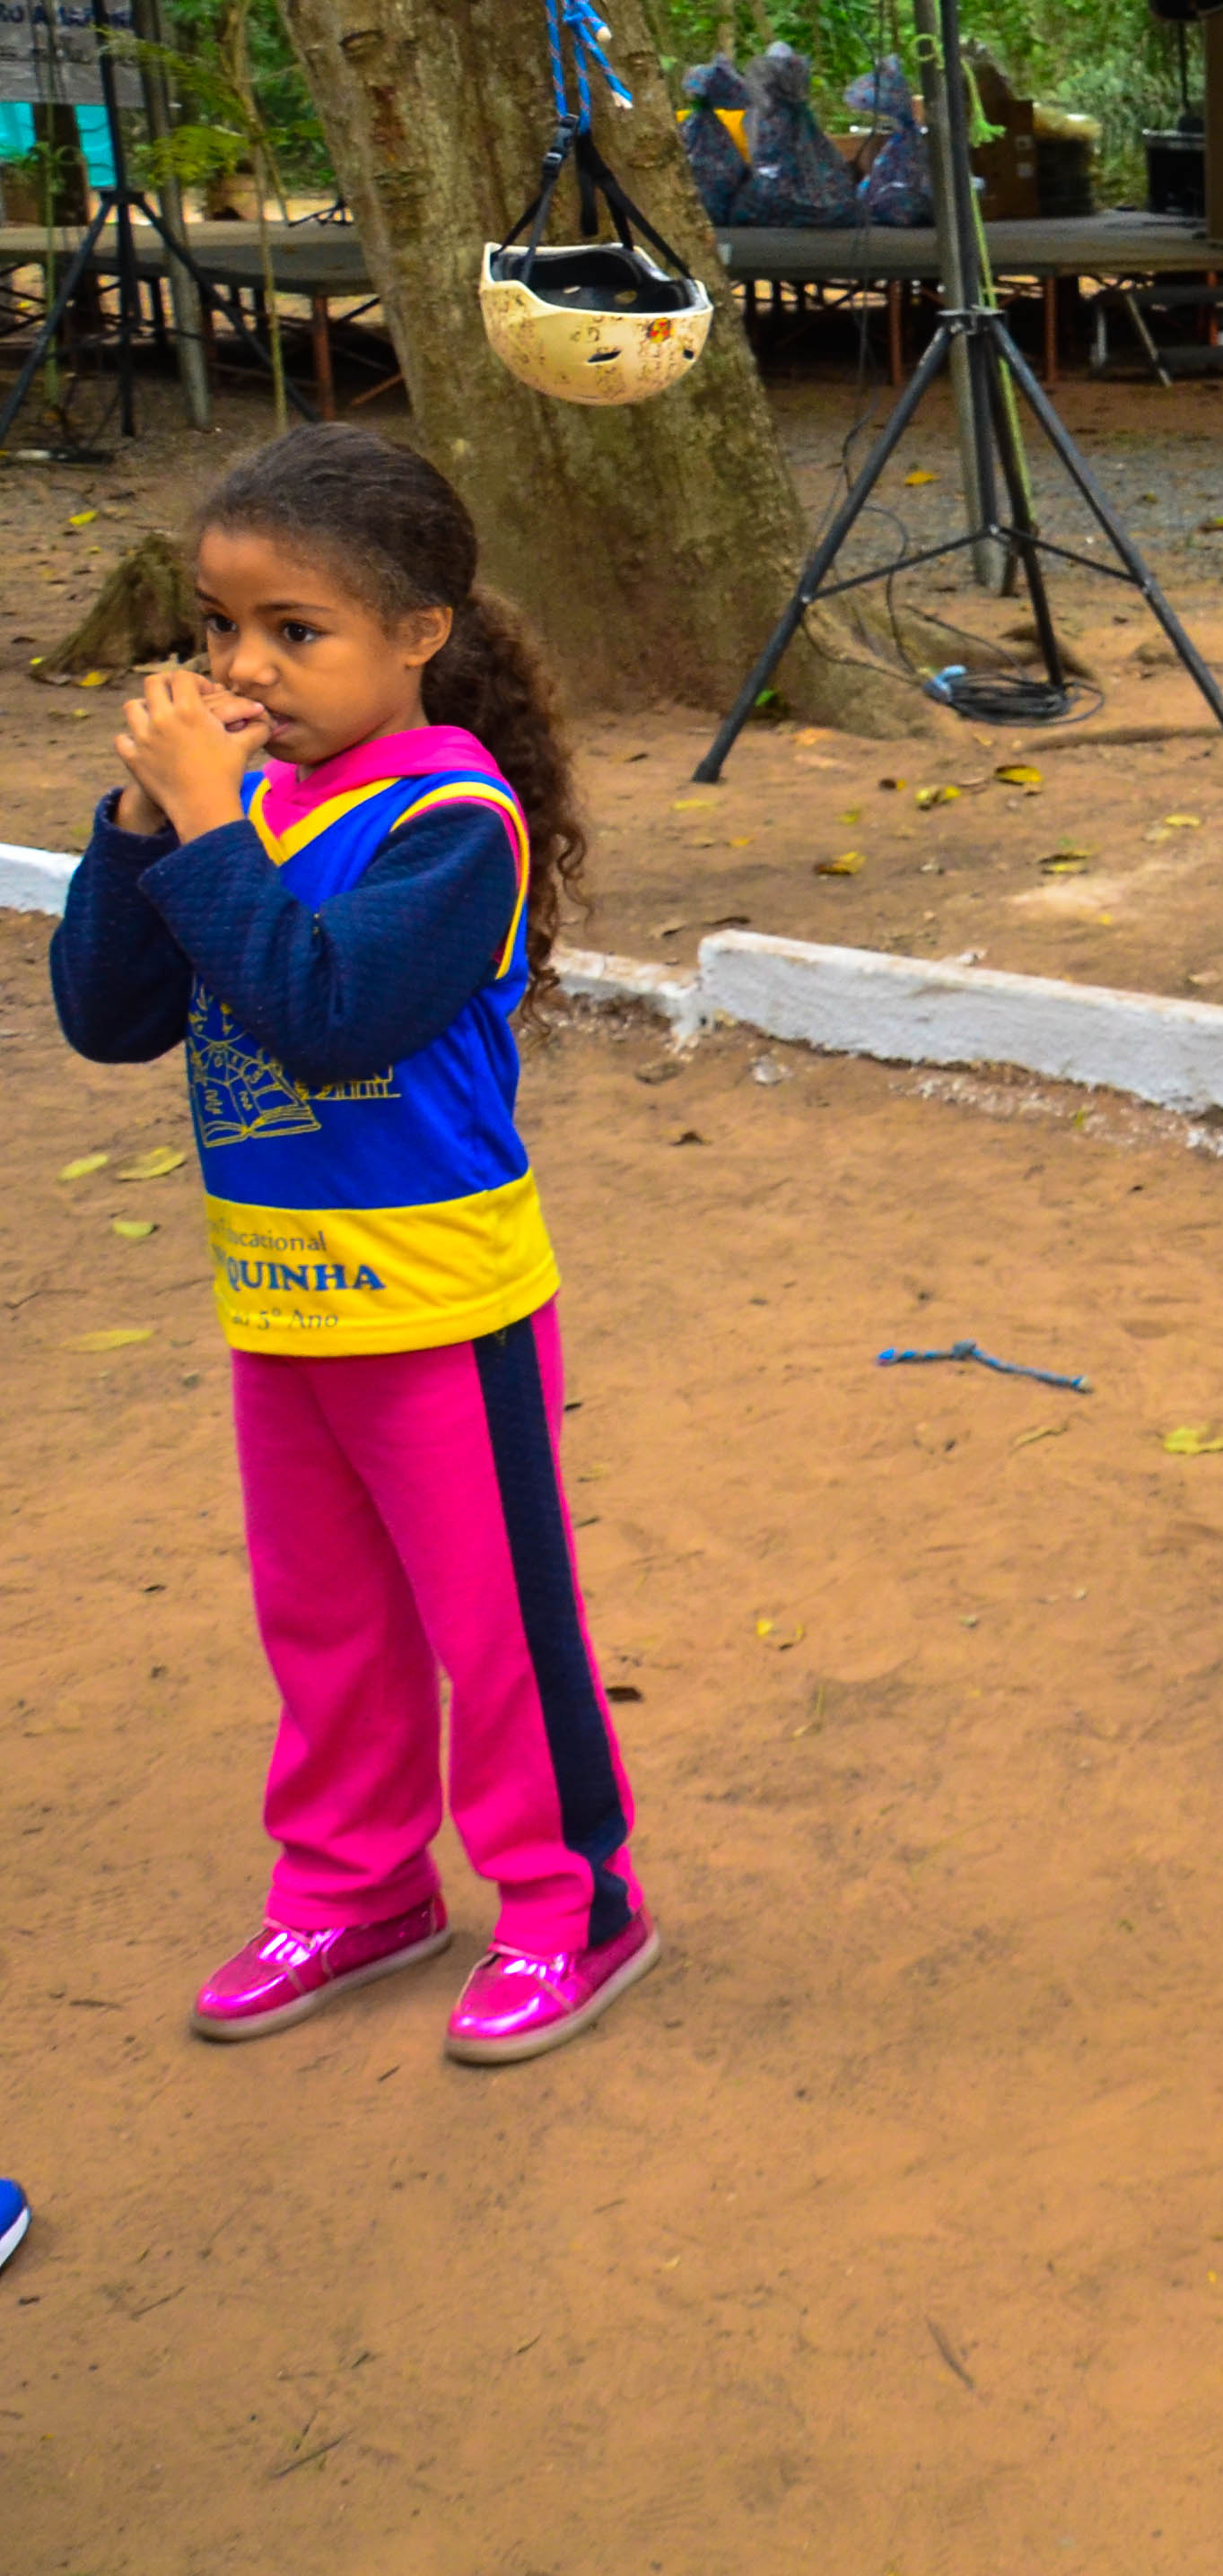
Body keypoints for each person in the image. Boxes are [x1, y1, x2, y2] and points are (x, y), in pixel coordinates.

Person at [48, 424, 657, 2067]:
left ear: (416, 635)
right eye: (218, 625)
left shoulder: (452, 820)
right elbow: (110, 1016)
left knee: (497, 1628)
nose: (242, 666)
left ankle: (574, 1901)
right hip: (280, 1303)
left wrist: (209, 827)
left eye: (294, 629)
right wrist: (140, 820)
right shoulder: (235, 803)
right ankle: (356, 1886)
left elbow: (330, 1014)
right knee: (324, 1623)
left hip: (441, 1307)